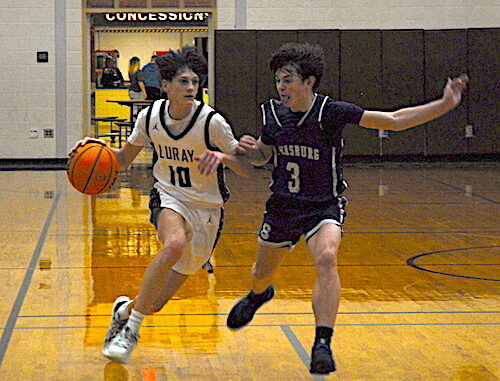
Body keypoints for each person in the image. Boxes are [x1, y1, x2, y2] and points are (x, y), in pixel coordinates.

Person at [227, 42, 469, 375]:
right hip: (283, 205)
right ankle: (257, 295)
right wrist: (249, 149)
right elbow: (263, 157)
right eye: (278, 81)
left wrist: (445, 103)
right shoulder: (272, 113)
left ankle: (322, 342)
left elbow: (394, 120)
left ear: (309, 81)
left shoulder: (333, 112)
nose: (281, 87)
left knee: (326, 256)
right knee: (260, 271)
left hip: (324, 204)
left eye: (288, 80)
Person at [70, 46, 253, 364]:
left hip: (208, 210)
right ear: (165, 85)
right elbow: (123, 160)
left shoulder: (211, 122)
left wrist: (228, 156)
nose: (191, 88)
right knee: (174, 244)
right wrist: (94, 145)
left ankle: (125, 311)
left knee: (154, 302)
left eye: (195, 82)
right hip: (169, 196)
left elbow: (245, 168)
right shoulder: (150, 117)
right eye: (183, 81)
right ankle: (131, 332)